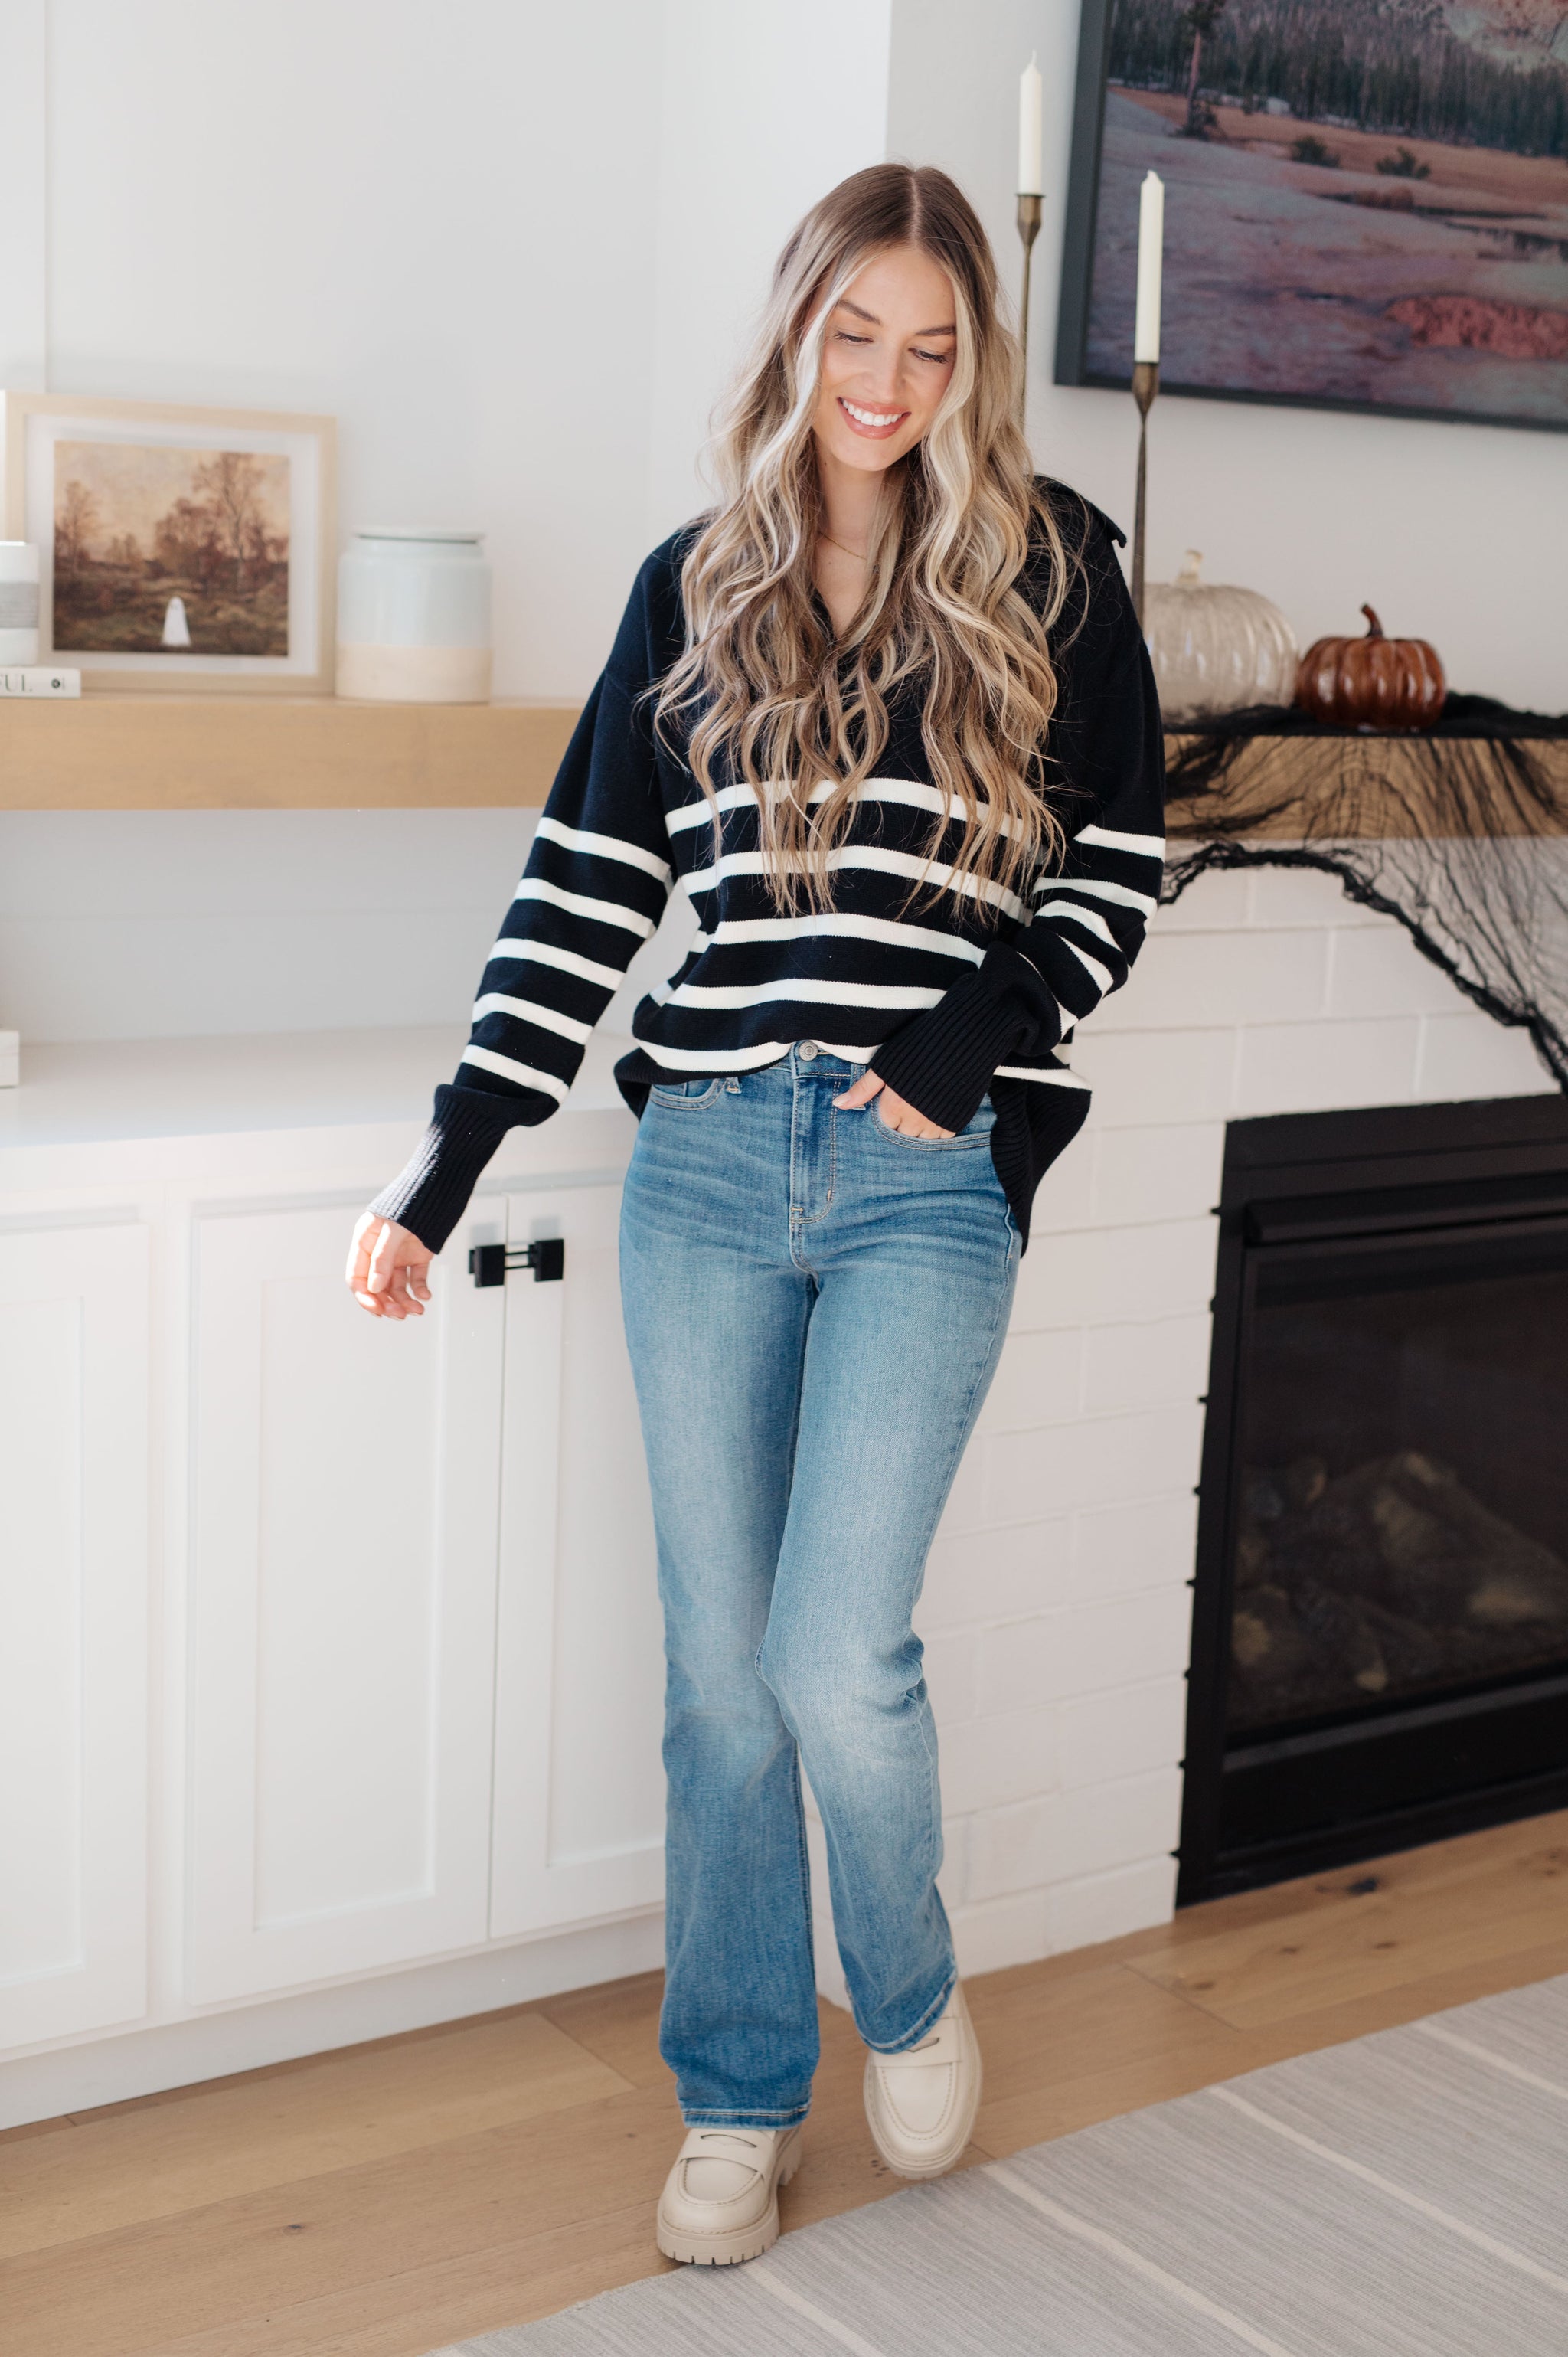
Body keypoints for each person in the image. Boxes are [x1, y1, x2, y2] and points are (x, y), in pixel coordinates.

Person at [348, 162, 1163, 2268]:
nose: (886, 380)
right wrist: (448, 1162)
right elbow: (584, 898)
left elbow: (1119, 863)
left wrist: (974, 1042)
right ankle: (733, 2097)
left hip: (920, 1181)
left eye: (932, 345)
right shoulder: (694, 589)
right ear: (799, 332)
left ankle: (908, 1988)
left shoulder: (1057, 573)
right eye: (854, 333)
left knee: (833, 1658)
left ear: (972, 363)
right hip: (703, 1168)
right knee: (719, 1681)